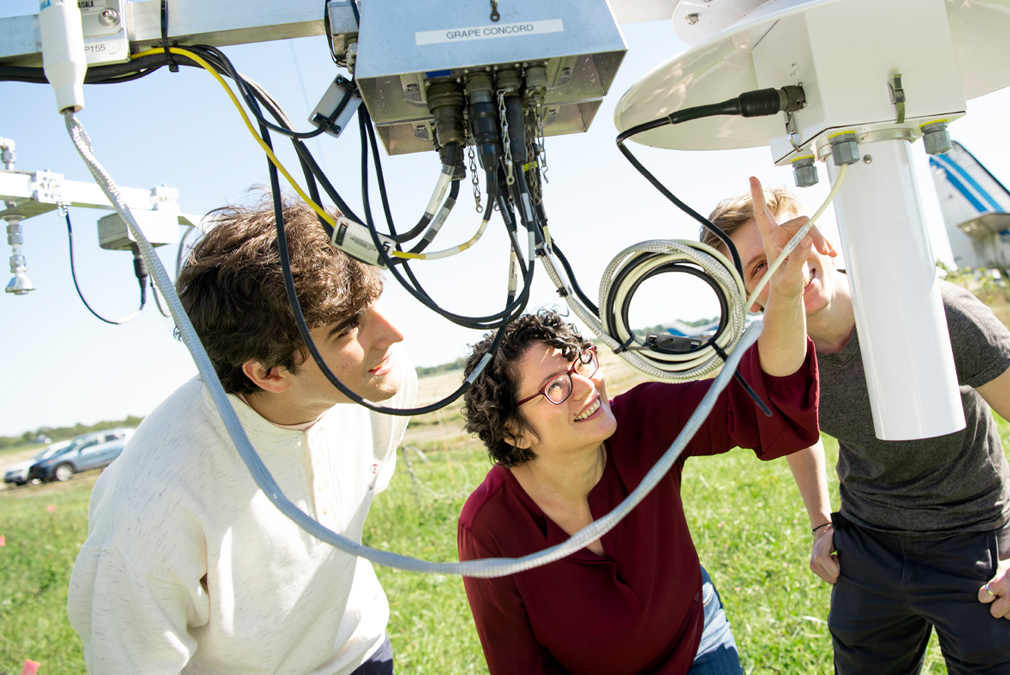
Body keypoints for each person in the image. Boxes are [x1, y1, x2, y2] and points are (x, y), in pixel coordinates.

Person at [704, 179, 1010, 674]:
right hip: (867, 545)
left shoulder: (934, 312)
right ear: (747, 298)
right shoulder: (772, 359)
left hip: (971, 537)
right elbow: (798, 431)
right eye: (759, 266)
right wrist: (820, 523)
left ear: (820, 240)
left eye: (789, 244)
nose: (786, 267)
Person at [455, 196, 834, 674]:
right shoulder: (489, 528)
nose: (588, 385)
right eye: (556, 387)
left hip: (698, 643)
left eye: (582, 362)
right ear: (514, 432)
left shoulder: (642, 420)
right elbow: (517, 664)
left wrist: (783, 294)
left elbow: (768, 405)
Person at [67, 194, 417, 674]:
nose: (393, 334)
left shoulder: (380, 384)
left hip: (361, 655)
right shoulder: (153, 504)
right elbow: (128, 662)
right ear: (269, 374)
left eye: (375, 300)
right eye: (347, 327)